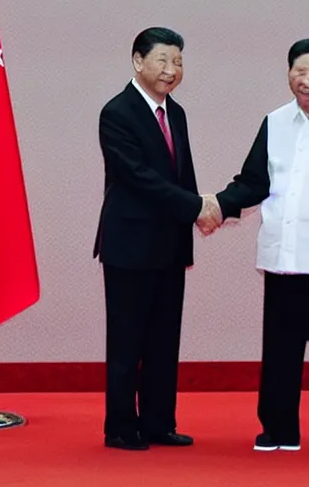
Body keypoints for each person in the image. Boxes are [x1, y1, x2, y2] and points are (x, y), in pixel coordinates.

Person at [93, 27, 220, 451]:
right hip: (129, 246)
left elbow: (182, 173)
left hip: (168, 245)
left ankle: (158, 422)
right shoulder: (117, 113)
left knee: (165, 339)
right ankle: (120, 428)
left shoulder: (176, 113)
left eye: (178, 62)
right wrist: (195, 208)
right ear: (138, 62)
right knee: (128, 342)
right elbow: (140, 179)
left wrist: (201, 214)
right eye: (163, 60)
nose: (172, 70)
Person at [207, 38, 309, 452]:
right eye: (299, 71)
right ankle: (278, 428)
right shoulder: (275, 122)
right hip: (285, 257)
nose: (306, 80)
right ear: (288, 75)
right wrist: (215, 205)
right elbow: (253, 182)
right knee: (281, 349)